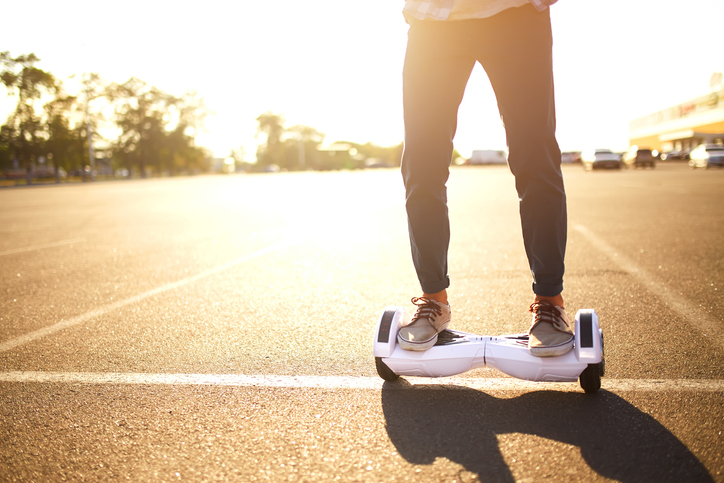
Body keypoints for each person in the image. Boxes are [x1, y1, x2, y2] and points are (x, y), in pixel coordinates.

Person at [396, 0, 574, 357]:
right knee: (422, 165)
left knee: (535, 158)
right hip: (435, 21)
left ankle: (550, 302)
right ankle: (433, 301)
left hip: (516, 14)